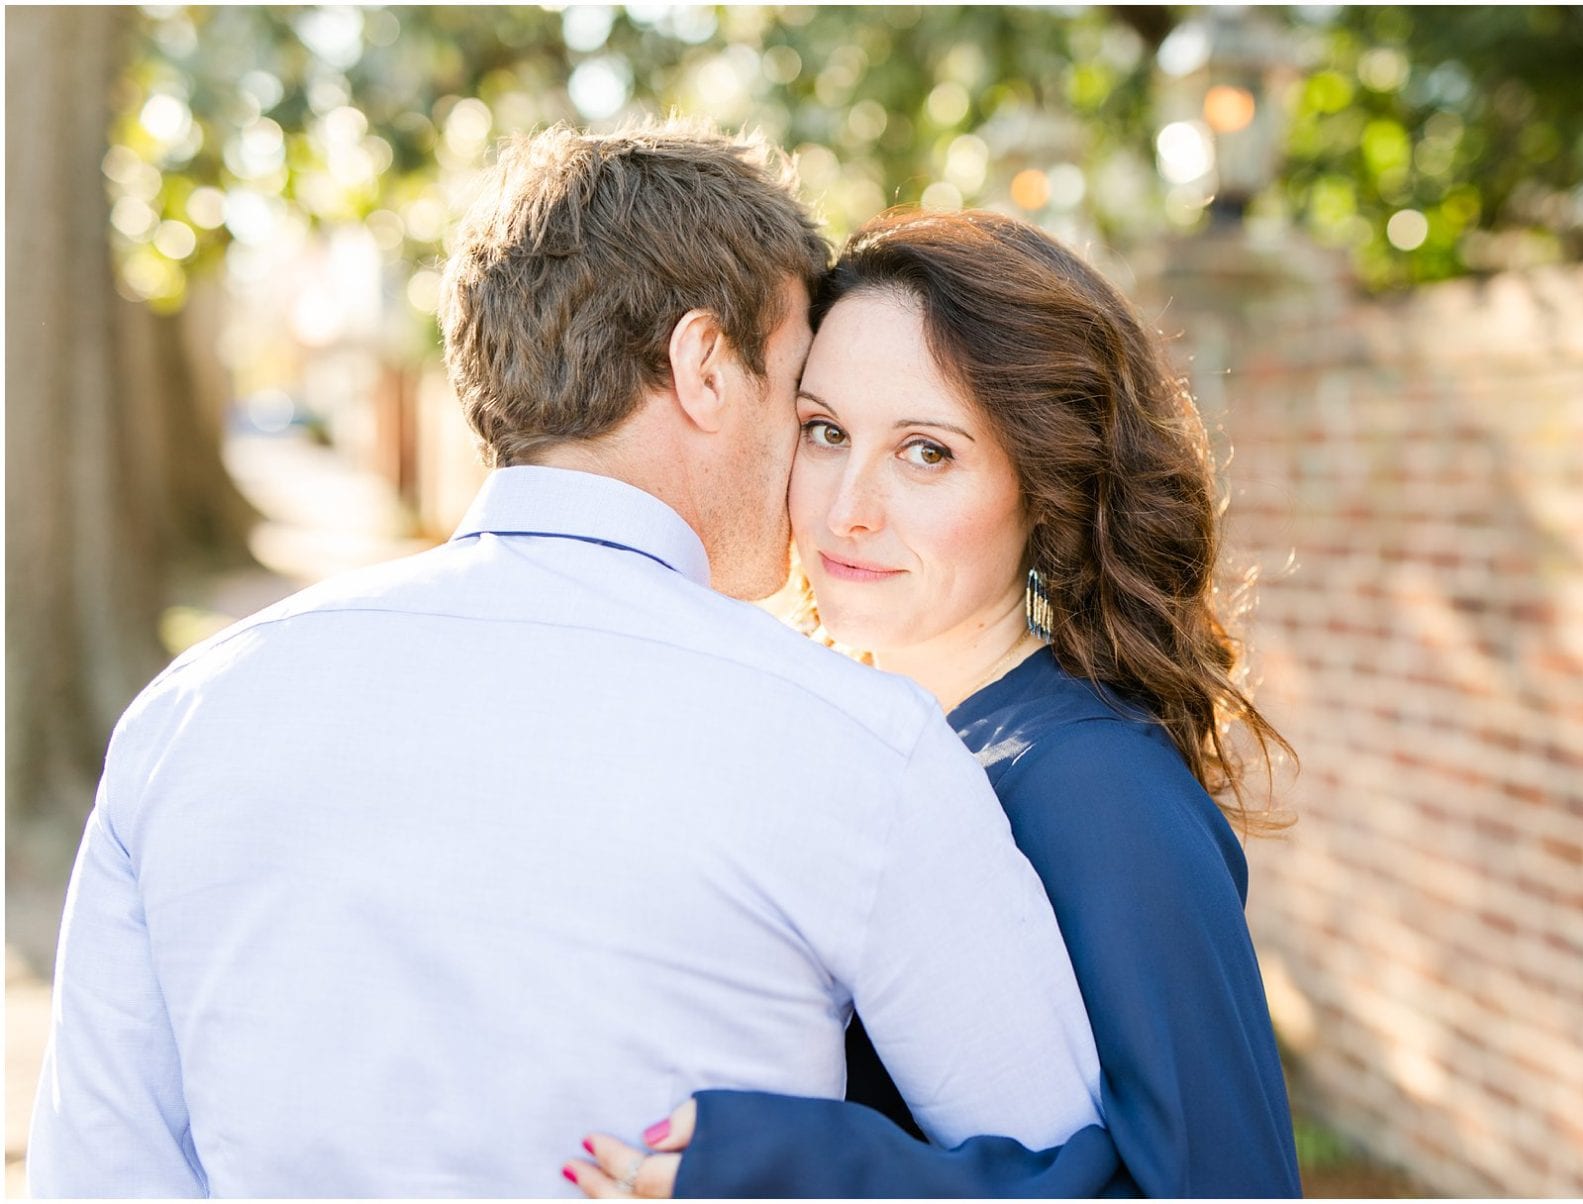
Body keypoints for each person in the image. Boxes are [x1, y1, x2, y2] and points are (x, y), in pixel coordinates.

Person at [26, 125, 1106, 1198]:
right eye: (797, 389)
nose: (813, 463)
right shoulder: (861, 746)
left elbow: (102, 1174)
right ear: (703, 367)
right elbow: (1067, 1155)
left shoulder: (190, 716)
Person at [566, 210, 1303, 1198]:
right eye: (825, 432)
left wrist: (800, 1175)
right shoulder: (858, 747)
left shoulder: (1101, 789)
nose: (847, 508)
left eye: (927, 453)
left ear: (1044, 485)